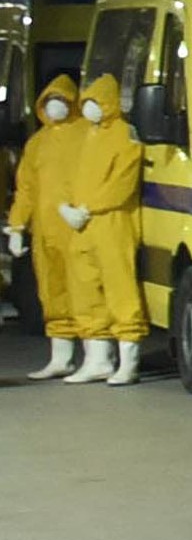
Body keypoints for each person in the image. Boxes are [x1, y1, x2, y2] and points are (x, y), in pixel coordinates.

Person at [55, 73, 149, 386]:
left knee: (119, 288)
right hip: (83, 225)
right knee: (85, 288)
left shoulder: (125, 135)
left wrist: (87, 208)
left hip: (112, 222)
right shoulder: (88, 137)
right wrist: (66, 205)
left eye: (96, 101)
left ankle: (127, 361)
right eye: (88, 102)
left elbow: (122, 183)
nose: (91, 107)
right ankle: (97, 359)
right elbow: (71, 176)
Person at [9, 87, 87, 381]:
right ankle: (61, 357)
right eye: (50, 101)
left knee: (86, 291)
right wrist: (17, 226)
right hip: (45, 232)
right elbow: (26, 189)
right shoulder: (37, 143)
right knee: (52, 292)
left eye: (63, 100)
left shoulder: (85, 136)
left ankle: (99, 355)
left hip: (80, 228)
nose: (57, 107)